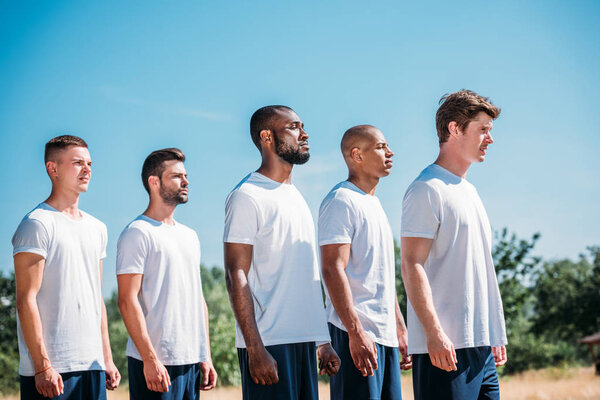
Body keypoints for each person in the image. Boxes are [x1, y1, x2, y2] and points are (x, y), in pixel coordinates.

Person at [224, 105, 340, 400]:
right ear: (267, 136)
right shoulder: (246, 196)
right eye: (294, 127)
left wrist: (321, 341)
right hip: (269, 344)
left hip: (302, 344)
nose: (305, 133)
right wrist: (255, 348)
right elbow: (235, 272)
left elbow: (306, 276)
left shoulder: (297, 197)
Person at [400, 90, 508, 400]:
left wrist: (492, 331)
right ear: (454, 129)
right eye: (483, 129)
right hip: (444, 350)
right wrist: (434, 334)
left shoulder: (470, 192)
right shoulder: (425, 189)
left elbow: (478, 270)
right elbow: (411, 265)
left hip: (481, 348)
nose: (490, 139)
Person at [12, 135, 120, 400]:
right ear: (53, 169)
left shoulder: (98, 228)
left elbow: (97, 301)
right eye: (77, 163)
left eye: (89, 163)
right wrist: (42, 366)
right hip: (52, 371)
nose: (87, 169)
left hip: (92, 366)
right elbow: (26, 299)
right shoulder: (37, 224)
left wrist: (106, 357)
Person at [319, 125, 412, 400]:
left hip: (384, 338)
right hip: (355, 336)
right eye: (381, 146)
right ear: (356, 155)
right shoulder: (341, 200)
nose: (390, 152)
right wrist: (355, 332)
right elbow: (332, 268)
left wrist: (399, 328)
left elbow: (382, 277)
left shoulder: (375, 205)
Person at [116, 148, 217, 400]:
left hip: (191, 360)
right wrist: (150, 360)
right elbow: (127, 300)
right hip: (154, 363)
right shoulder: (137, 233)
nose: (186, 181)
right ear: (154, 182)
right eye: (176, 176)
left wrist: (205, 355)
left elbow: (198, 300)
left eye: (185, 175)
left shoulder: (190, 235)